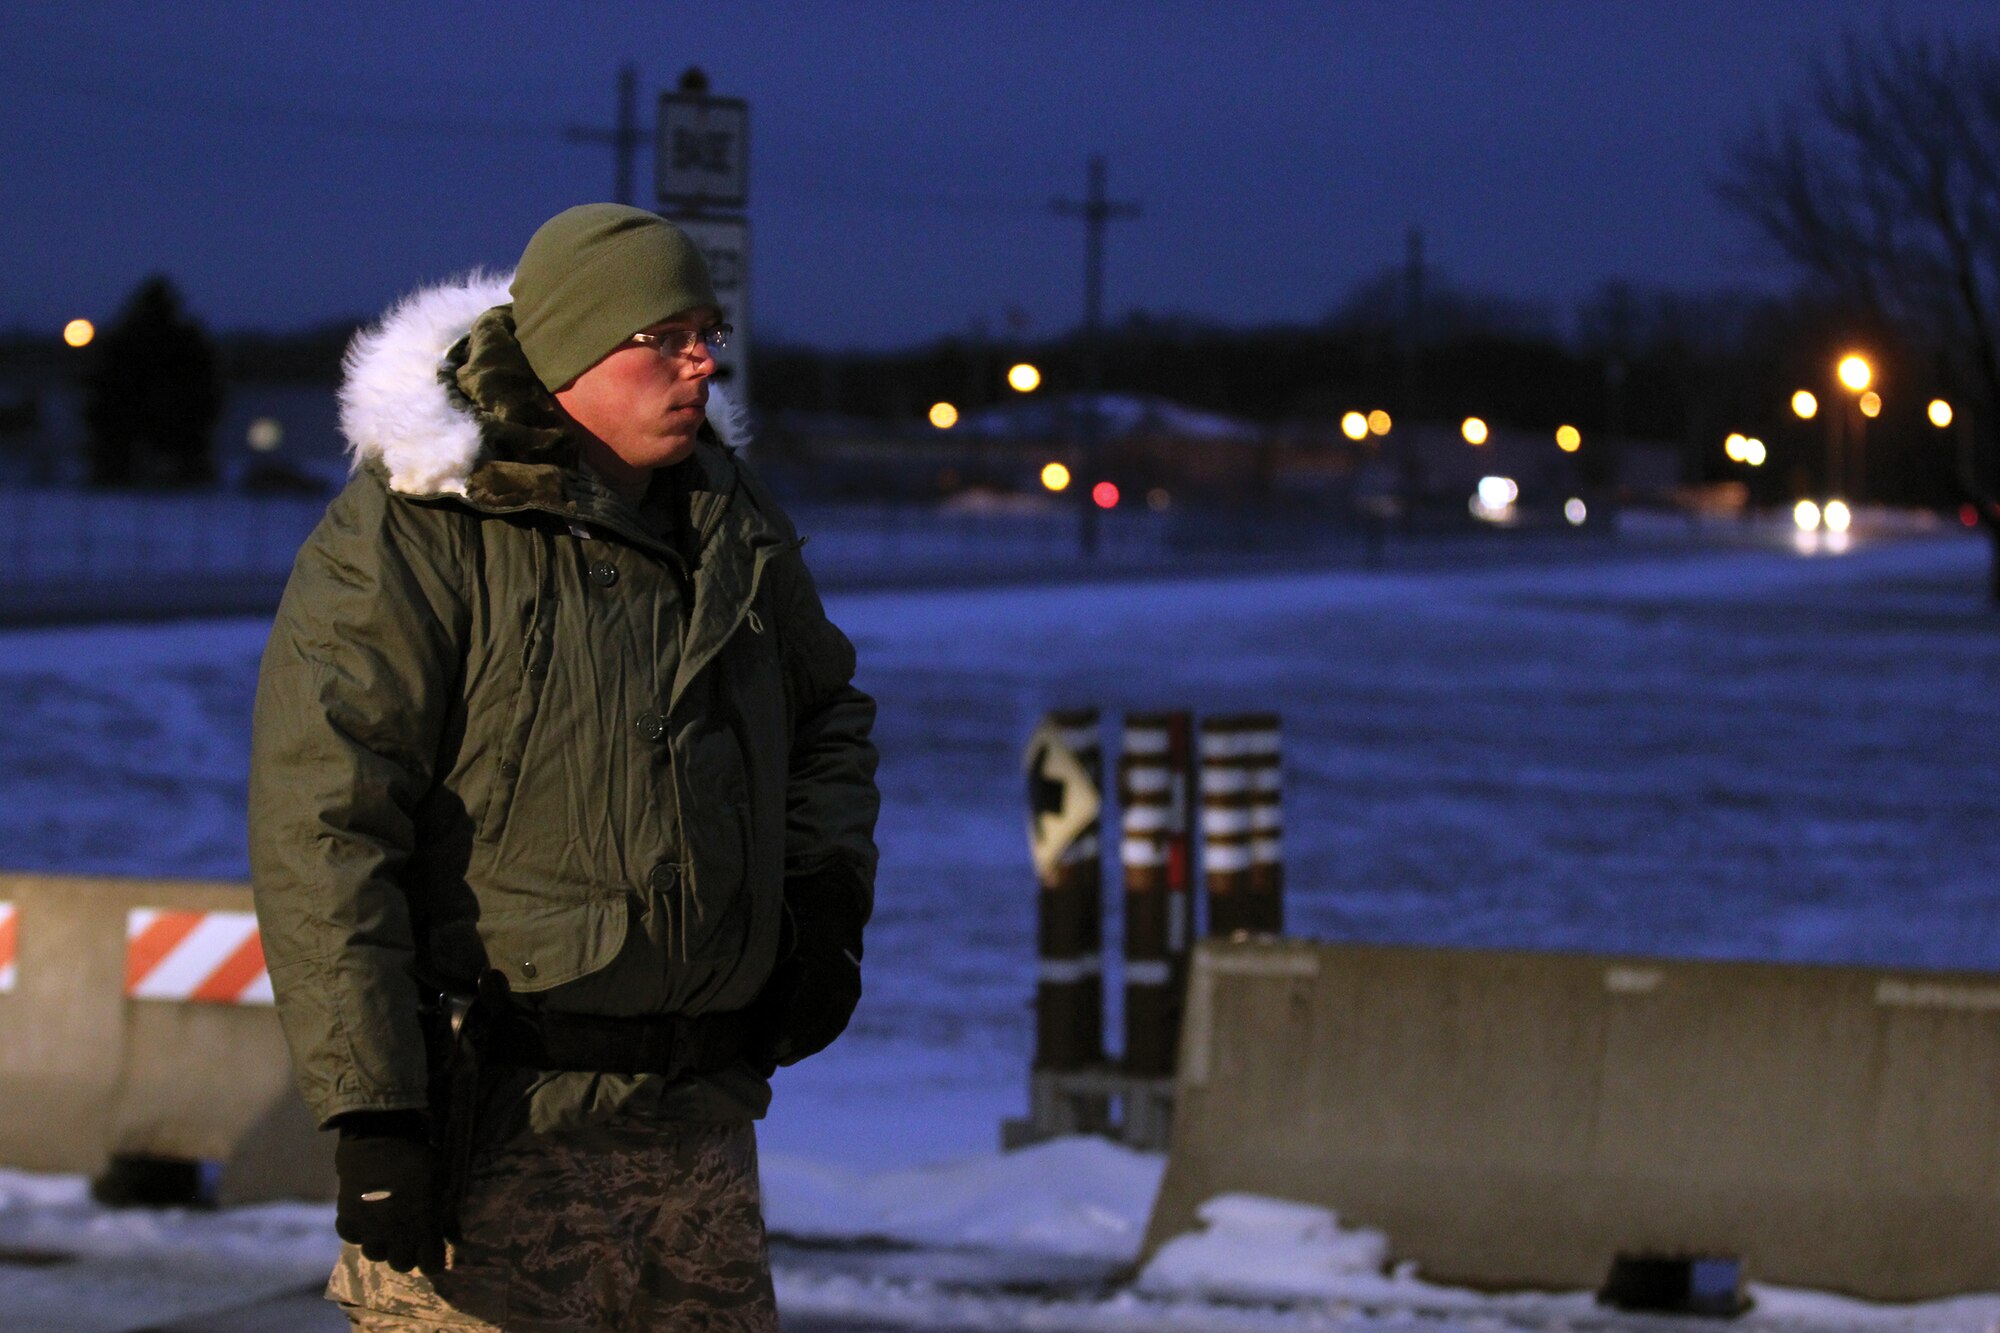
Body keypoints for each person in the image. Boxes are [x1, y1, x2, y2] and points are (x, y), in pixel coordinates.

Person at [248, 203, 880, 1331]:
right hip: (492, 1128)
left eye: (708, 331)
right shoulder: (418, 532)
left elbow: (824, 714)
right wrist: (374, 1107)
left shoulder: (729, 522)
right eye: (665, 335)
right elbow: (326, 823)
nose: (703, 360)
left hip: (695, 1135)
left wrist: (820, 898)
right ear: (574, 345)